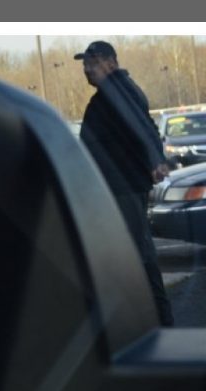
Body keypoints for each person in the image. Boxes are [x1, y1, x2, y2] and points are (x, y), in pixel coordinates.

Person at [75, 41, 174, 326]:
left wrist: (156, 160)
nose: (86, 69)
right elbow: (148, 125)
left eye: (92, 62)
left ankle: (151, 325)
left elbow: (140, 125)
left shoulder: (114, 90)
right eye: (85, 63)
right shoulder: (119, 89)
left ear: (110, 63)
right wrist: (157, 158)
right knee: (136, 253)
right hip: (121, 186)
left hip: (122, 187)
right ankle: (155, 322)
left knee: (135, 256)